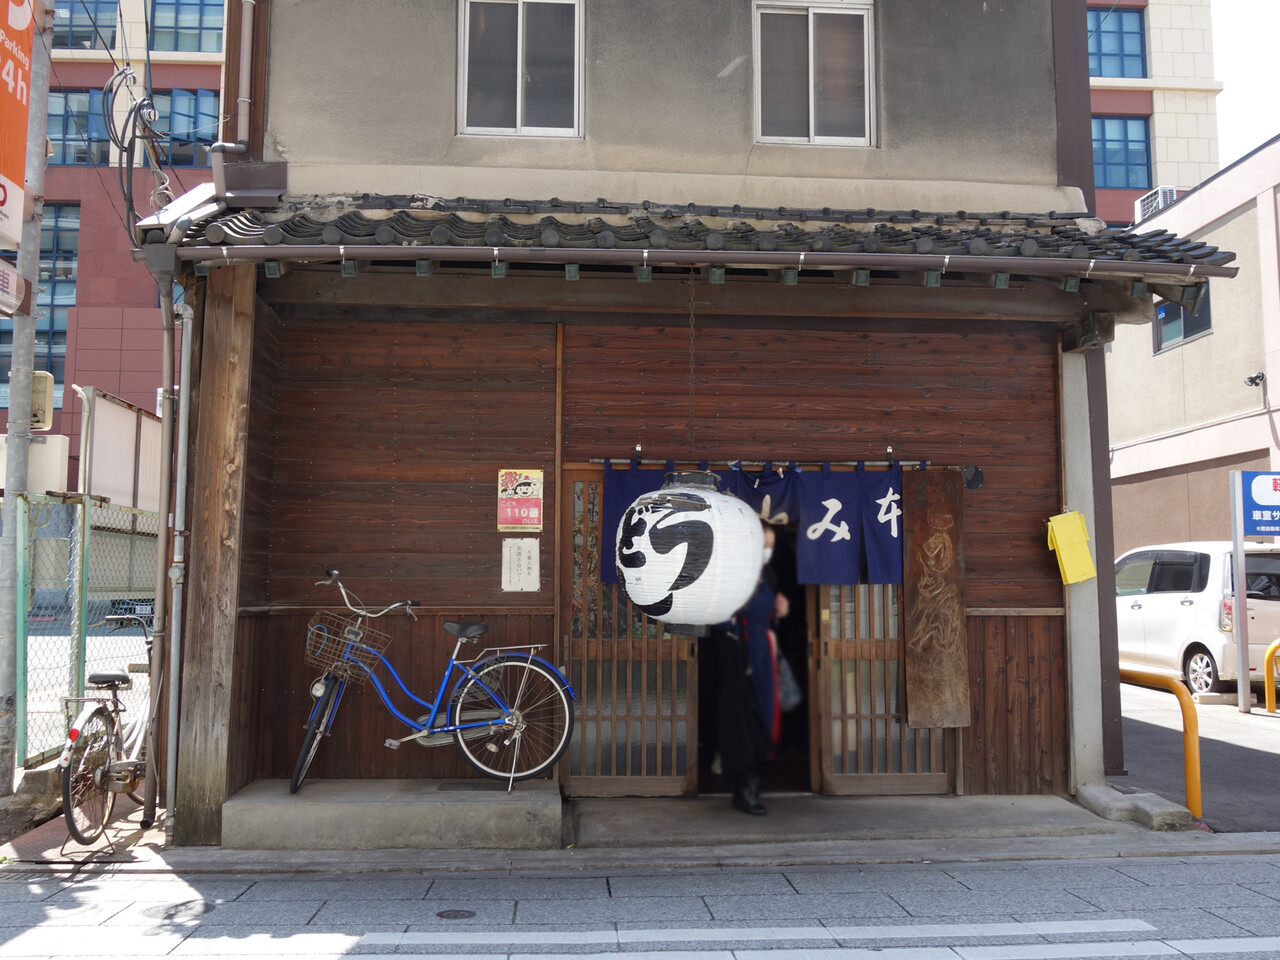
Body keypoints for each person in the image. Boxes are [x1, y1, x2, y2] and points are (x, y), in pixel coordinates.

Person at [715, 522, 789, 816]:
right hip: (741, 653)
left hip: (763, 652)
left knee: (764, 715)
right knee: (745, 717)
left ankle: (751, 787)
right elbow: (722, 618)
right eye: (763, 544)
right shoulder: (736, 575)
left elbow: (765, 617)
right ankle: (744, 791)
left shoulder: (766, 576)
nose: (767, 550)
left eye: (770, 545)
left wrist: (779, 615)